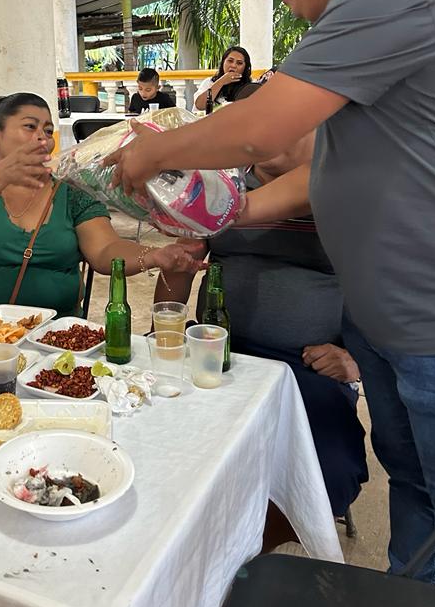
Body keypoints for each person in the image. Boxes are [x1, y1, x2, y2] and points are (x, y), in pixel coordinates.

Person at [108, 0, 435, 594]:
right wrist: (232, 211)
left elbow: (261, 131)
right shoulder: (366, 19)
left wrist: (152, 151)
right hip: (387, 322)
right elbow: (322, 170)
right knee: (415, 489)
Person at [155, 124, 368, 517]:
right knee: (156, 435)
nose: (268, 136)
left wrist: (355, 358)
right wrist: (161, 332)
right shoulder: (223, 187)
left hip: (305, 366)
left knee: (330, 474)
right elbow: (182, 265)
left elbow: (379, 283)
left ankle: (253, 547)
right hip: (214, 352)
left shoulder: (341, 187)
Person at [0, 92, 205, 316]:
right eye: (30, 126)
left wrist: (154, 255)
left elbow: (105, 249)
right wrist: (4, 172)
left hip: (54, 337)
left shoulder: (69, 191)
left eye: (48, 130)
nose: (42, 137)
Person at [193, 46, 252, 111]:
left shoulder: (249, 88)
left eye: (239, 63)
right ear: (223, 62)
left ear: (245, 68)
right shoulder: (209, 82)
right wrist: (221, 82)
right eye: (230, 61)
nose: (233, 65)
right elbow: (200, 106)